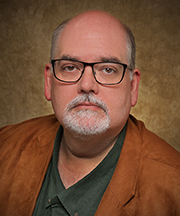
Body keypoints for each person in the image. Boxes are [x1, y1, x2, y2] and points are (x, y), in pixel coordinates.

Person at [0, 10, 180, 216]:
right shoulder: (4, 147)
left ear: (133, 87)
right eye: (70, 67)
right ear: (49, 82)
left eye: (108, 69)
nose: (86, 85)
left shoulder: (174, 189)